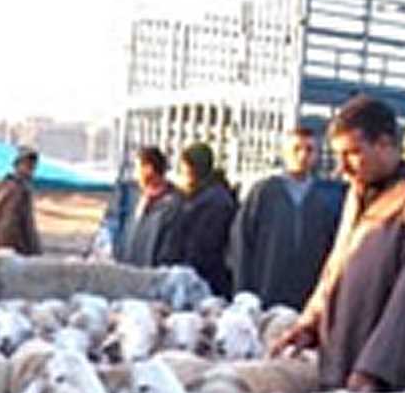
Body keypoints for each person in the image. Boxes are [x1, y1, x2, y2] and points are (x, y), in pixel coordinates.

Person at [270, 95, 405, 393]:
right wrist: (309, 324)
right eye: (339, 155)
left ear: (385, 144)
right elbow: (336, 268)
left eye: (354, 153)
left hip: (391, 389)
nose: (343, 167)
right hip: (344, 363)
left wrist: (373, 371)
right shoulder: (359, 195)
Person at [228, 127, 342, 310]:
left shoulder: (326, 198)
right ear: (285, 153)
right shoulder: (264, 192)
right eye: (296, 149)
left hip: (308, 297)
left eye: (309, 150)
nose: (303, 155)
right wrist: (243, 290)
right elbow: (241, 241)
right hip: (264, 292)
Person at [160, 141, 237, 296]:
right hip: (180, 277)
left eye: (188, 168)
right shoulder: (186, 196)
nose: (184, 172)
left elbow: (204, 246)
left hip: (203, 282)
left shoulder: (217, 201)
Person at [116, 145, 182, 266]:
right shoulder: (139, 199)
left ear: (148, 169)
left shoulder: (173, 205)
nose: (135, 175)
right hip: (132, 275)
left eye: (137, 168)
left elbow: (170, 249)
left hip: (155, 277)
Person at [0, 144, 41, 257]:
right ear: (18, 165)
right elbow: (7, 225)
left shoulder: (22, 187)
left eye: (33, 165)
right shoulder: (13, 188)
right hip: (12, 251)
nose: (31, 168)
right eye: (27, 164)